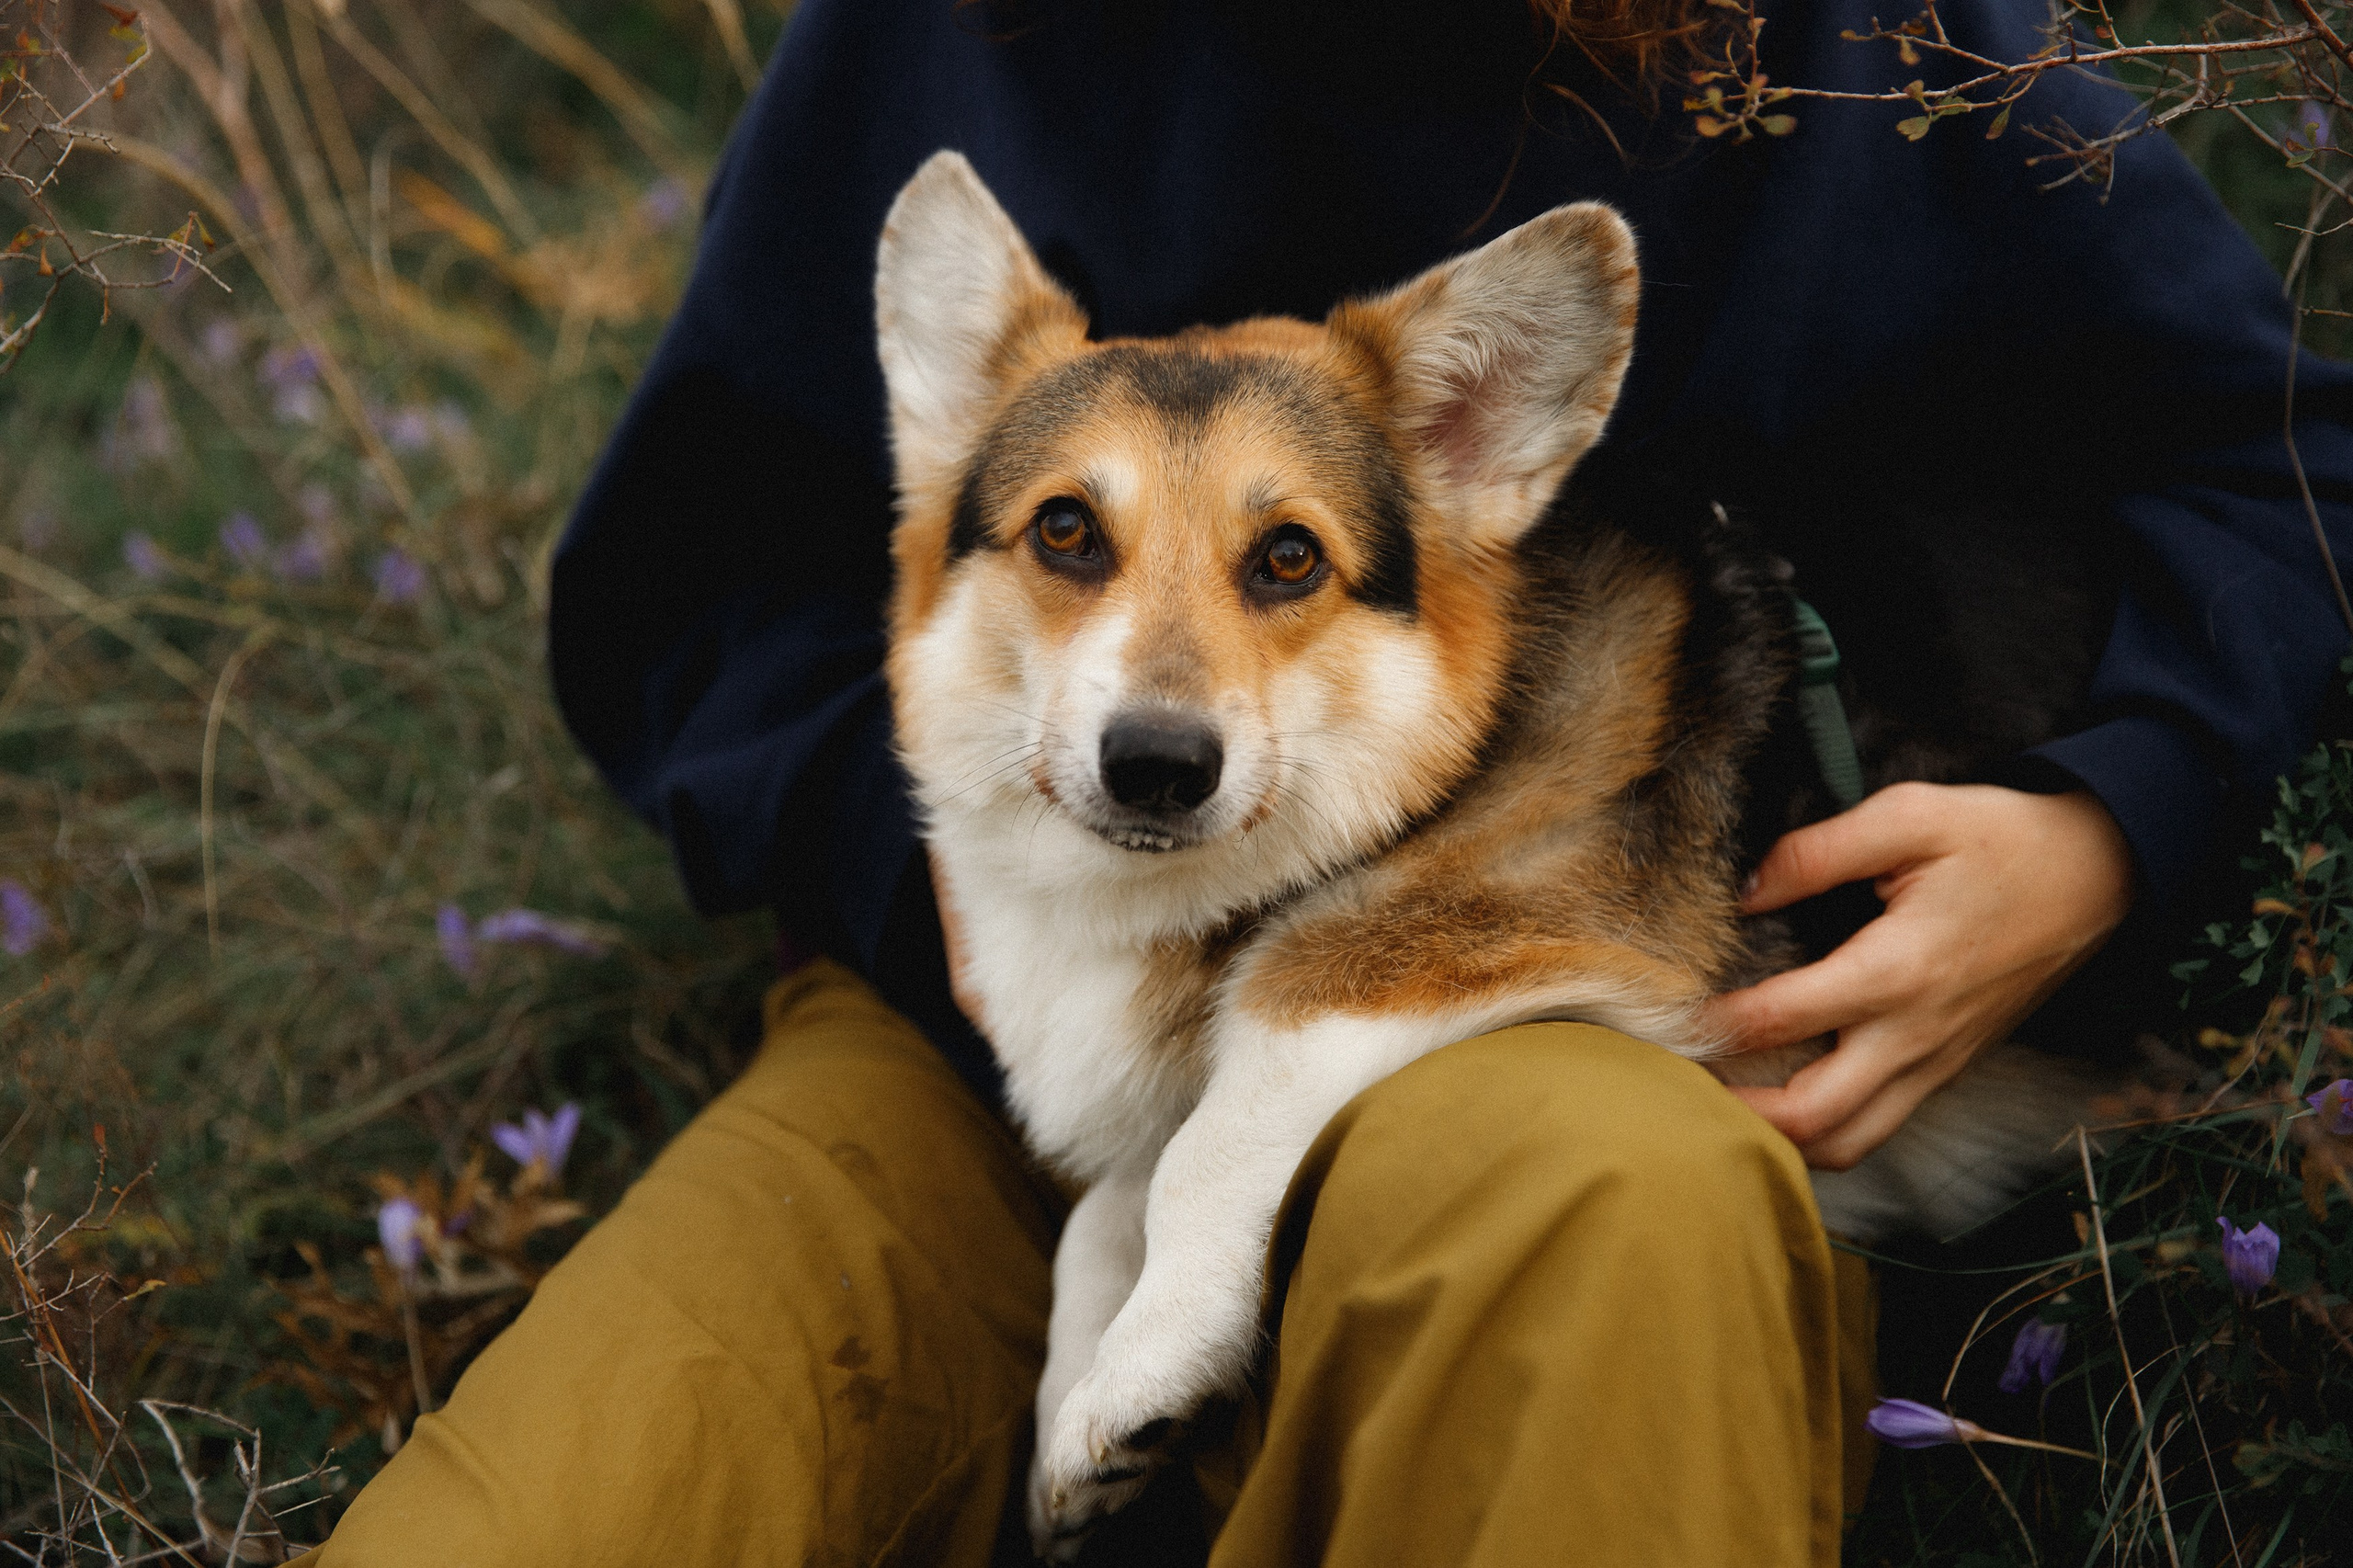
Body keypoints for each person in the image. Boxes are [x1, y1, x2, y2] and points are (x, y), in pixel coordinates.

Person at [296, 0, 2353, 1562]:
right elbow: (681, 581)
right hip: (986, 1003)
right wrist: (916, 878)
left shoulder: (1853, 52)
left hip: (1555, 967)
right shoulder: (944, 38)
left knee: (1605, 1244)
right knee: (595, 1482)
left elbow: (2273, 444)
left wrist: (2107, 819)